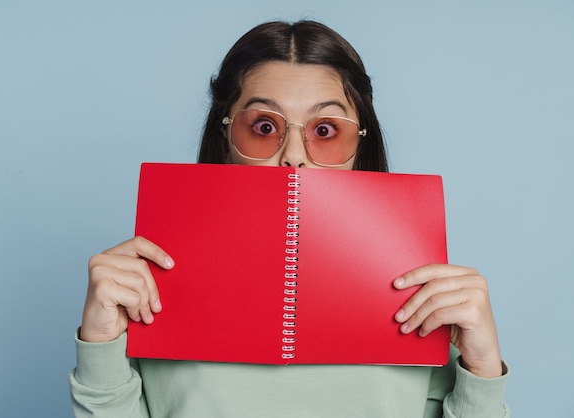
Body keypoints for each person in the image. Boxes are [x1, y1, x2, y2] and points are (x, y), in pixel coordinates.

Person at [69, 20, 510, 417]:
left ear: (360, 140)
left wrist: (482, 370)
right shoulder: (147, 285)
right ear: (225, 135)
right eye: (264, 126)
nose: (293, 157)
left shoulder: (420, 291)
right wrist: (101, 346)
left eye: (325, 130)